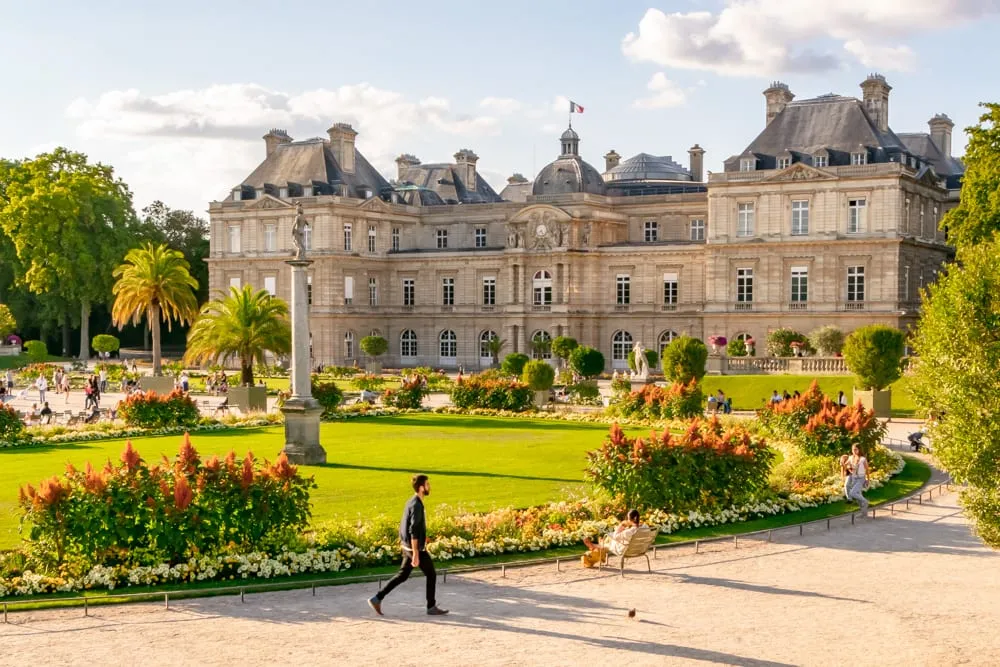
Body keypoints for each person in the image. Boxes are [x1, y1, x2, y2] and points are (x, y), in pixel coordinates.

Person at [368, 475, 449, 617]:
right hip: (414, 548)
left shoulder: (411, 501)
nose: (429, 486)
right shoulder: (417, 505)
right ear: (422, 487)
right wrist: (416, 553)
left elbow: (408, 526)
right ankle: (431, 606)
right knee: (431, 574)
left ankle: (377, 598)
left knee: (403, 575)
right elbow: (413, 530)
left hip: (408, 547)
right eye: (427, 484)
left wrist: (423, 539)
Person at [846, 444, 870, 515]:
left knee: (852, 493)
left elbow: (867, 470)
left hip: (861, 479)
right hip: (854, 478)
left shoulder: (863, 459)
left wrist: (868, 480)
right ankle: (864, 513)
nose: (854, 451)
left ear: (859, 450)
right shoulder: (851, 458)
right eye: (853, 449)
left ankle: (865, 501)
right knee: (858, 497)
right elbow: (846, 465)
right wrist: (847, 466)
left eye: (856, 449)